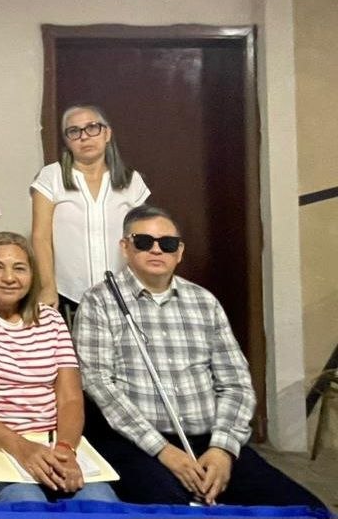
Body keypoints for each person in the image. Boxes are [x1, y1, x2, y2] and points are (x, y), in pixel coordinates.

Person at [75, 205, 324, 508]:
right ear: (125, 247)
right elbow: (99, 383)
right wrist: (163, 450)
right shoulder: (99, 301)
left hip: (210, 441)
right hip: (137, 444)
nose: (157, 250)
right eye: (144, 242)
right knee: (176, 508)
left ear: (179, 252)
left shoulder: (205, 302)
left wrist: (223, 449)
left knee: (304, 508)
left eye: (167, 244)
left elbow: (236, 384)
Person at [0, 232, 118, 503]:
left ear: (33, 274)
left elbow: (70, 398)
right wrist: (21, 447)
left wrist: (65, 449)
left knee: (101, 504)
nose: (9, 278)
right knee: (27, 504)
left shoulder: (52, 319)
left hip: (53, 441)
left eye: (19, 268)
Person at [31, 105, 149, 316]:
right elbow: (41, 237)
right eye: (74, 131)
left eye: (92, 127)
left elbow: (143, 238)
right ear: (67, 140)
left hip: (124, 293)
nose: (84, 137)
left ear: (107, 134)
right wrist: (47, 286)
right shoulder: (51, 177)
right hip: (68, 295)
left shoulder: (132, 180)